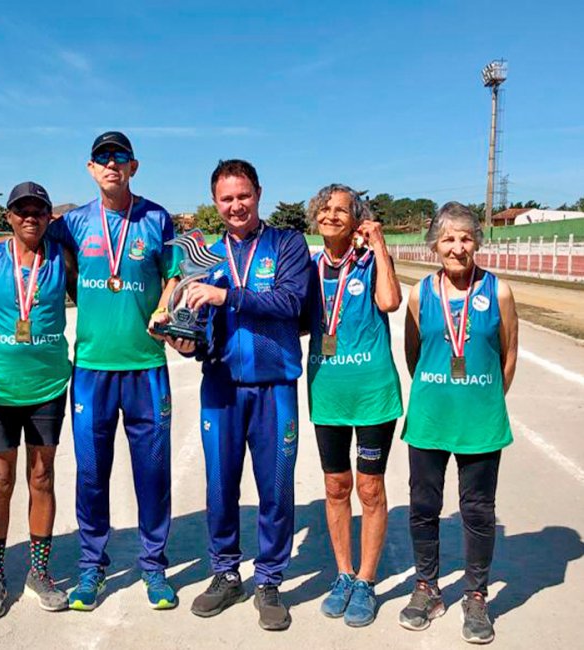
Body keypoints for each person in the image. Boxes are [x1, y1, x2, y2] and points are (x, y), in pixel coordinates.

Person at [162, 160, 311, 631]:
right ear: (215, 203)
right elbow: (199, 328)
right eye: (226, 199)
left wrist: (228, 296)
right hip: (222, 386)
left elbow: (290, 303)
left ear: (259, 193)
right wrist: (186, 342)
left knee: (276, 488)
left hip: (275, 386)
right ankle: (226, 573)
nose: (235, 205)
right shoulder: (204, 256)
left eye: (243, 195)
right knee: (221, 486)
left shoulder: (286, 243)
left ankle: (269, 580)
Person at [55, 131, 181, 611]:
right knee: (90, 472)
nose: (112, 165)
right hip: (91, 368)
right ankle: (92, 567)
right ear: (90, 168)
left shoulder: (155, 217)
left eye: (120, 158)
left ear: (134, 166)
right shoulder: (73, 223)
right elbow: (33, 246)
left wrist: (166, 304)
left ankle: (153, 567)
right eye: (102, 158)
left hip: (146, 366)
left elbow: (174, 272)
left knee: (152, 471)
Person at [400, 202, 518, 645]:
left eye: (466, 237)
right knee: (423, 508)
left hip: (481, 421)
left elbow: (509, 355)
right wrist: (438, 390)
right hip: (430, 417)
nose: (457, 246)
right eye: (448, 238)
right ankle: (427, 588)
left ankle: (475, 595)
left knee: (478, 511)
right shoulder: (419, 294)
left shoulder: (499, 291)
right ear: (435, 244)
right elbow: (414, 354)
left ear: (477, 243)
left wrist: (484, 397)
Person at [0, 182, 76, 618]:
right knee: (1, 482)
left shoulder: (62, 260)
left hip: (48, 388)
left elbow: (91, 304)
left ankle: (39, 573)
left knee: (42, 477)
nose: (30, 217)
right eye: (21, 210)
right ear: (8, 216)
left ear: (49, 217)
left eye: (38, 211)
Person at [304, 184, 403, 627]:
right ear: (315, 216)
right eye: (325, 209)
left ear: (355, 217)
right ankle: (343, 573)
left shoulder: (369, 261)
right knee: (335, 487)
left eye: (341, 210)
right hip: (327, 393)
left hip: (372, 395)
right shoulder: (307, 268)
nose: (331, 215)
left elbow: (390, 302)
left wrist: (380, 247)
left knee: (370, 489)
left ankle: (366, 580)